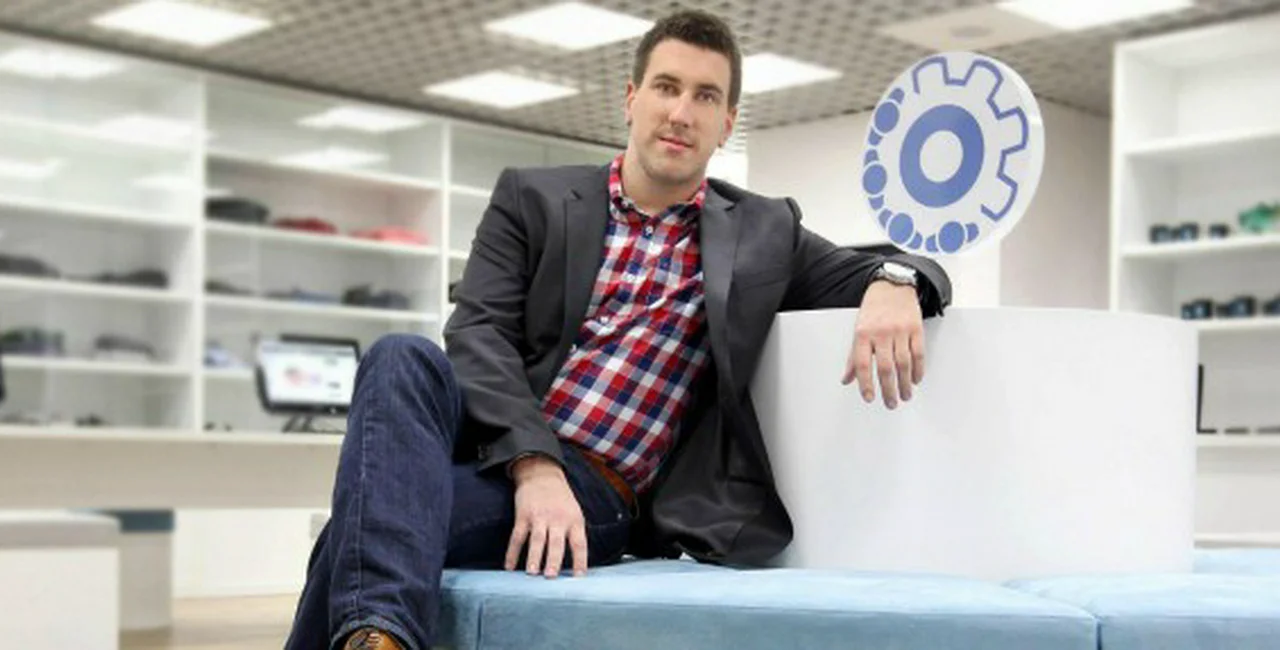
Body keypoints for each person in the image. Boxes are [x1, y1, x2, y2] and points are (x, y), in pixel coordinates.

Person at [285, 9, 951, 650]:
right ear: (631, 99)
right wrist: (534, 463)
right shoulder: (532, 198)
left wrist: (895, 282)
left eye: (705, 96)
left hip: (600, 488)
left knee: (361, 527)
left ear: (727, 123)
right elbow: (478, 334)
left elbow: (888, 266)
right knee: (400, 355)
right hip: (493, 443)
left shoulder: (762, 231)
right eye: (666, 87)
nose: (681, 112)